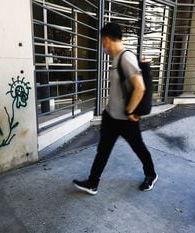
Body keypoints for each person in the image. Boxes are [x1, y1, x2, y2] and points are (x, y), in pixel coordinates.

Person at [73, 23, 157, 195]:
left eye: (103, 42)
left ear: (106, 40)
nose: (103, 46)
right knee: (102, 151)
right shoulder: (117, 58)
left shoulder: (126, 58)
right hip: (111, 116)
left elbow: (140, 88)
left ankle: (151, 174)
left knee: (139, 148)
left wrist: (130, 112)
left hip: (125, 119)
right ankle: (92, 183)